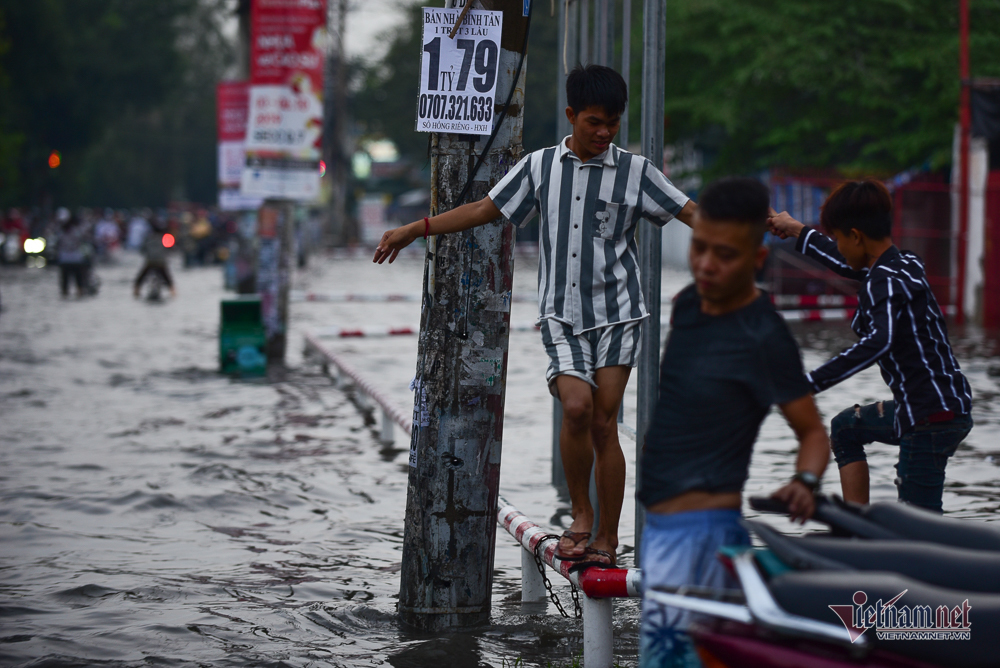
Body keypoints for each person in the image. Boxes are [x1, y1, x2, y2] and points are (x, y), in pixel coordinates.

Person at [374, 64, 696, 566]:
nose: (603, 132)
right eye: (593, 121)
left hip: (618, 314)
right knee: (576, 408)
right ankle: (581, 515)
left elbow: (692, 213)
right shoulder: (539, 166)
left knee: (606, 423)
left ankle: (608, 540)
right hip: (561, 315)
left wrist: (757, 228)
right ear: (571, 115)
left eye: (612, 123)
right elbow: (485, 209)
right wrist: (416, 229)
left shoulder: (636, 172)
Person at [638, 177, 830, 668]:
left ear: (757, 261)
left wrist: (805, 480)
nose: (705, 264)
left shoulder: (763, 334)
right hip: (659, 529)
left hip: (703, 535)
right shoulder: (686, 307)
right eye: (699, 248)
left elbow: (811, 431)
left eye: (723, 255)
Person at [768, 180, 973, 512]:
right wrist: (796, 230)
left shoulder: (883, 281)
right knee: (846, 428)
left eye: (838, 238)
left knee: (919, 528)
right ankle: (858, 528)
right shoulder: (905, 263)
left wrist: (808, 384)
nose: (838, 247)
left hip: (930, 418)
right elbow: (844, 260)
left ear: (856, 236)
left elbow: (879, 341)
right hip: (940, 403)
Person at [134, 216, 175, 298]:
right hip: (161, 262)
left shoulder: (148, 238)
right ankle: (173, 292)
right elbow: (170, 248)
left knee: (141, 277)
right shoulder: (166, 237)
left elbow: (142, 250)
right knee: (167, 278)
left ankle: (136, 291)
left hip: (150, 261)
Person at [55, 210, 92, 297]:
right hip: (72, 260)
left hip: (71, 260)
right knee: (72, 286)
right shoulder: (76, 230)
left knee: (72, 286)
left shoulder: (60, 232)